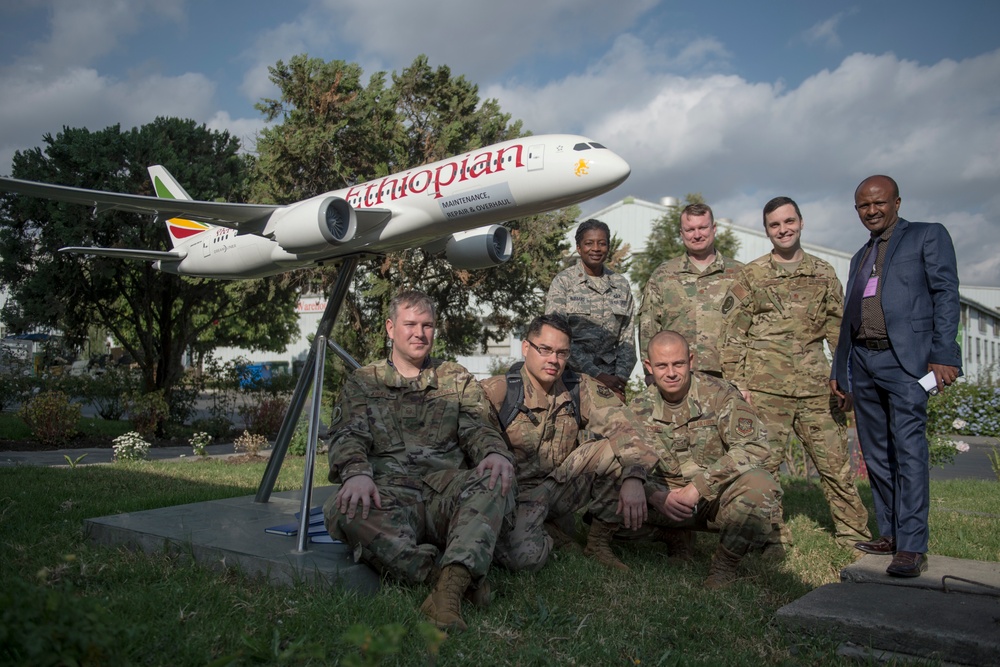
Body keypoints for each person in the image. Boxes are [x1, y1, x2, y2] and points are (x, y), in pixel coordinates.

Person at [324, 290, 516, 631]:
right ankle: (442, 579)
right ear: (390, 328)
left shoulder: (455, 378)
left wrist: (495, 453)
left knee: (494, 477)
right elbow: (347, 434)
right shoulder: (363, 382)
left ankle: (450, 591)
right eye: (410, 324)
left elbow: (479, 429)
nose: (419, 333)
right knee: (344, 509)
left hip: (446, 491)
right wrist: (355, 473)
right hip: (390, 493)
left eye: (427, 325)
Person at [720, 196, 871, 550]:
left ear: (801, 223)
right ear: (767, 230)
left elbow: (839, 332)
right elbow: (732, 334)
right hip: (764, 391)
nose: (783, 230)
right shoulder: (752, 275)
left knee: (835, 467)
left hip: (817, 388)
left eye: (789, 222)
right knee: (765, 469)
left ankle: (854, 536)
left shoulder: (823, 273)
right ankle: (771, 537)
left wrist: (846, 379)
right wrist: (737, 385)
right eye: (775, 225)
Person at [831, 175, 961, 578]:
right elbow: (849, 315)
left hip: (907, 364)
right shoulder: (860, 256)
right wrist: (841, 370)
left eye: (878, 203)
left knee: (908, 452)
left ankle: (912, 545)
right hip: (864, 364)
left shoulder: (927, 236)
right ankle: (889, 533)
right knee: (876, 455)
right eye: (863, 206)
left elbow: (945, 293)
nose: (871, 211)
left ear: (897, 202)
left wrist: (943, 353)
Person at [481, 313, 659, 572]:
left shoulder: (579, 388)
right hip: (515, 497)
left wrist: (633, 477)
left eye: (562, 353)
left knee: (617, 450)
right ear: (526, 347)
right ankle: (548, 532)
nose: (553, 360)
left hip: (558, 488)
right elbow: (472, 440)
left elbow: (626, 426)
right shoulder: (498, 391)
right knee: (524, 561)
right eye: (545, 350)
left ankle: (598, 543)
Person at [631, 331, 783, 588]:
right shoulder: (638, 408)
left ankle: (724, 564)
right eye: (661, 365)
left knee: (761, 486)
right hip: (662, 501)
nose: (671, 372)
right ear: (648, 366)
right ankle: (671, 536)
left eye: (678, 364)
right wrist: (653, 495)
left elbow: (754, 446)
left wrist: (697, 488)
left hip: (712, 501)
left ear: (691, 360)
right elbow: (624, 464)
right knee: (607, 489)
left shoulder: (721, 395)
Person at [638, 203, 744, 378]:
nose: (697, 235)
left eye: (702, 227)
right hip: (678, 379)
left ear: (714, 228)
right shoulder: (663, 275)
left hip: (728, 377)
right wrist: (651, 375)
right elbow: (648, 328)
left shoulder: (739, 274)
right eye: (690, 229)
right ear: (681, 233)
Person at [546, 218, 635, 402]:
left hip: (611, 382)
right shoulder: (564, 282)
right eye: (589, 243)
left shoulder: (620, 285)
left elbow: (627, 337)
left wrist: (620, 380)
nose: (596, 248)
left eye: (602, 243)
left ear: (608, 247)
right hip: (570, 378)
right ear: (579, 247)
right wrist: (596, 374)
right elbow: (557, 336)